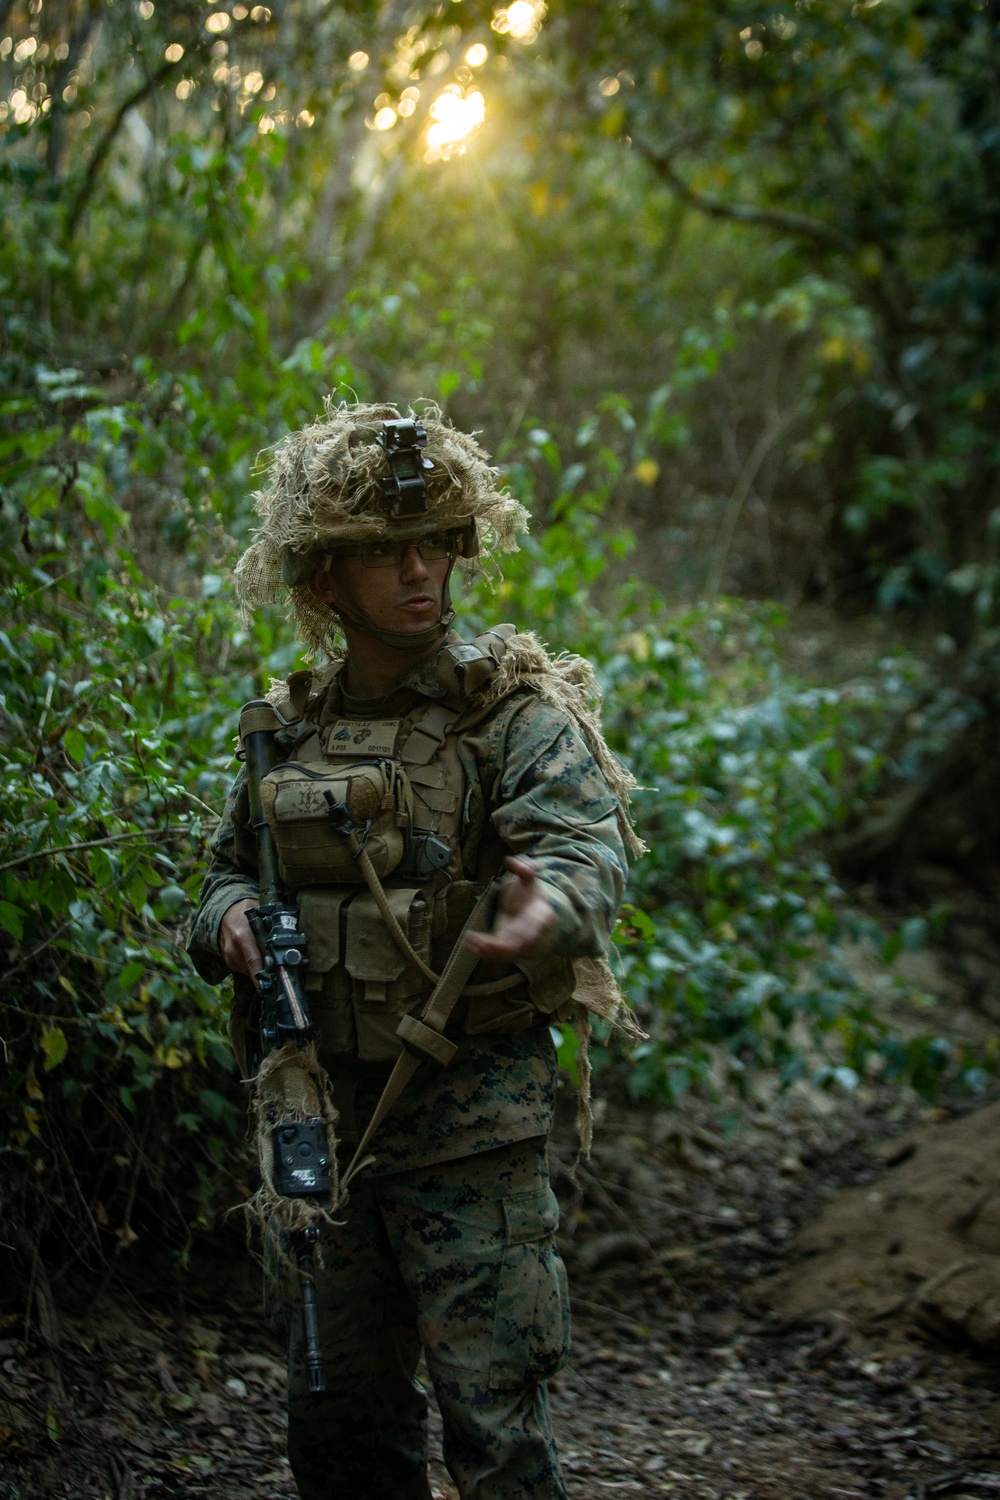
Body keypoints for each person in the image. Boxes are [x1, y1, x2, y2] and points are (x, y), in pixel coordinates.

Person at [188, 401, 643, 1500]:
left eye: (436, 542)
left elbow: (590, 848)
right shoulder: (282, 733)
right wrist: (232, 923)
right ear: (323, 580)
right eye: (383, 551)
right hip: (326, 1131)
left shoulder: (513, 714)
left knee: (496, 1428)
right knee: (340, 1428)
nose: (416, 570)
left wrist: (551, 908)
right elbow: (220, 878)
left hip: (471, 1130)